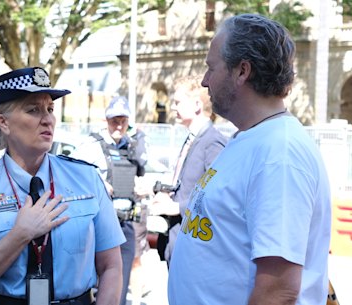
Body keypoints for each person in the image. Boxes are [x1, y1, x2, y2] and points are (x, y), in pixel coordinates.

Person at [168, 14, 332, 305]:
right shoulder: (253, 138)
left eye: (211, 68)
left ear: (242, 70)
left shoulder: (279, 153)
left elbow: (279, 290)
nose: (205, 81)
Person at [0, 67, 125, 305]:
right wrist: (19, 235)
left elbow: (111, 265)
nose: (47, 119)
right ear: (4, 123)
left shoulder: (86, 178)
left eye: (50, 109)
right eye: (33, 110)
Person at [72, 96, 148, 305]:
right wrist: (98, 183)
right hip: (101, 223)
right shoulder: (91, 145)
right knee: (98, 282)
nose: (119, 125)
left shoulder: (133, 147)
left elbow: (141, 176)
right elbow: (73, 174)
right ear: (106, 120)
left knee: (119, 283)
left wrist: (142, 187)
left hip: (126, 222)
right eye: (115, 120)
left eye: (123, 120)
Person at [149, 75, 227, 265]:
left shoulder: (212, 142)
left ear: (197, 105)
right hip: (177, 240)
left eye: (177, 102)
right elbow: (188, 185)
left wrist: (175, 207)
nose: (173, 107)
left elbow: (217, 195)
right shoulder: (193, 138)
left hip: (193, 247)